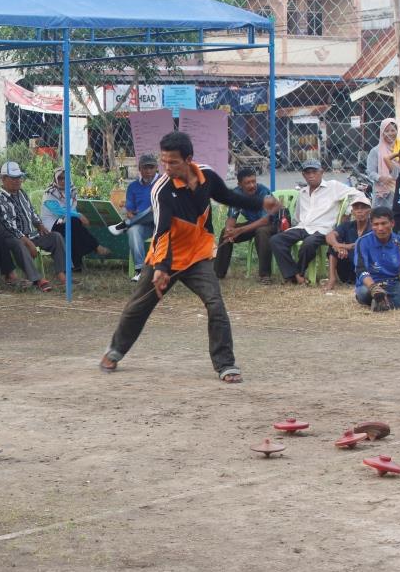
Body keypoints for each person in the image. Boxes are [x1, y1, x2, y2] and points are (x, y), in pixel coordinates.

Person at [99, 131, 279, 383]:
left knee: (215, 303)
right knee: (139, 305)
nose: (167, 167)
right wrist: (161, 267)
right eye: (164, 162)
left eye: (173, 162)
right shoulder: (161, 189)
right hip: (166, 255)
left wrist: (260, 203)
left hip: (197, 254)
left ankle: (225, 364)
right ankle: (116, 350)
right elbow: (161, 231)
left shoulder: (206, 176)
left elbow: (228, 197)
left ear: (188, 159)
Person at [270, 159, 360, 284]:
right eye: (307, 173)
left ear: (321, 172)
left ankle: (298, 274)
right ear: (303, 175)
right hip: (303, 227)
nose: (311, 175)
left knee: (308, 244)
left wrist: (347, 211)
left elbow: (357, 194)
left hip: (323, 229)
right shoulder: (302, 192)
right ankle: (295, 275)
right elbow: (297, 216)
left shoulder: (333, 186)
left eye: (314, 172)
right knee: (276, 240)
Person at [0, 161, 65, 290]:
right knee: (19, 243)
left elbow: (32, 212)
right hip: (9, 239)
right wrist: (27, 242)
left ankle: (62, 274)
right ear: (3, 179)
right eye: (13, 178)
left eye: (19, 177)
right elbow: (8, 226)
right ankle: (37, 279)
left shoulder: (22, 194)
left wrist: (40, 225)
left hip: (29, 235)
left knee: (55, 237)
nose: (17, 181)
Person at [213, 167, 277, 284]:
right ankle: (218, 273)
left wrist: (241, 230)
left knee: (261, 232)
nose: (252, 185)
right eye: (248, 183)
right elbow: (232, 217)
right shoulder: (237, 194)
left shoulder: (263, 192)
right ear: (239, 184)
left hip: (272, 224)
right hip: (253, 223)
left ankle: (265, 275)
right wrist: (230, 230)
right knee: (225, 232)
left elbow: (265, 221)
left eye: (254, 181)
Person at [40, 168, 110, 273]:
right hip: (50, 226)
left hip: (65, 223)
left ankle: (76, 264)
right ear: (55, 179)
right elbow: (58, 212)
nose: (63, 181)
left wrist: (77, 216)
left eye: (65, 178)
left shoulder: (71, 191)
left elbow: (72, 210)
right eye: (60, 178)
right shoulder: (49, 193)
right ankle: (95, 246)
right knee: (74, 223)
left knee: (74, 226)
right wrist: (79, 215)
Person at [108, 153, 159, 281]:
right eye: (145, 167)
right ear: (140, 169)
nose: (148, 171)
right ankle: (140, 270)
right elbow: (130, 211)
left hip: (162, 221)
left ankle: (124, 224)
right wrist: (131, 215)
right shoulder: (133, 186)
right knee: (133, 230)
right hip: (143, 223)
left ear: (156, 168)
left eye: (151, 167)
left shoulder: (162, 182)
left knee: (154, 209)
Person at [352, 206, 400, 311]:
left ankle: (384, 303)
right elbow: (360, 270)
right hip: (369, 287)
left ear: (392, 223)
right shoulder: (363, 242)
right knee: (363, 293)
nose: (380, 228)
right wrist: (374, 288)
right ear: (371, 225)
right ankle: (388, 301)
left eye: (384, 223)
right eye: (376, 224)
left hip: (393, 287)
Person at [324, 192, 372, 291]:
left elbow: (360, 245)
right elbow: (329, 236)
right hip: (346, 269)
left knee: (342, 247)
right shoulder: (347, 225)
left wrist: (345, 247)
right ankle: (332, 278)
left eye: (363, 208)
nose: (359, 211)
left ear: (369, 211)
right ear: (352, 212)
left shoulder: (373, 227)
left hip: (366, 269)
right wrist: (338, 246)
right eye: (356, 208)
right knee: (333, 244)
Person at [366, 118, 400, 208]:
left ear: (397, 131)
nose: (390, 133)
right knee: (381, 217)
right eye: (387, 131)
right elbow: (370, 172)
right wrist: (381, 178)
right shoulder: (376, 151)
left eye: (393, 130)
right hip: (382, 193)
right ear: (382, 133)